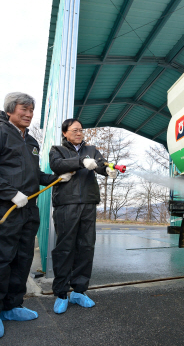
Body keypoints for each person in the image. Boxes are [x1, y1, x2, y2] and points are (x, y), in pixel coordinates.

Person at [0, 92, 73, 340]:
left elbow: (34, 174)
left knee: (22, 259)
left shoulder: (30, 141)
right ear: (9, 111)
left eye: (31, 110)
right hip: (3, 208)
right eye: (23, 109)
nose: (28, 114)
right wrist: (9, 193)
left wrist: (56, 179)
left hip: (28, 209)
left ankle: (12, 305)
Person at [48, 118, 118, 314]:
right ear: (65, 133)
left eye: (81, 130)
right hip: (66, 204)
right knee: (65, 248)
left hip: (88, 202)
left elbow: (102, 165)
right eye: (75, 130)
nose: (79, 133)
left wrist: (109, 171)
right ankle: (61, 293)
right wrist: (80, 161)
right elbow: (57, 166)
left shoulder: (92, 150)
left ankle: (79, 291)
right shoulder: (57, 150)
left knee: (86, 247)